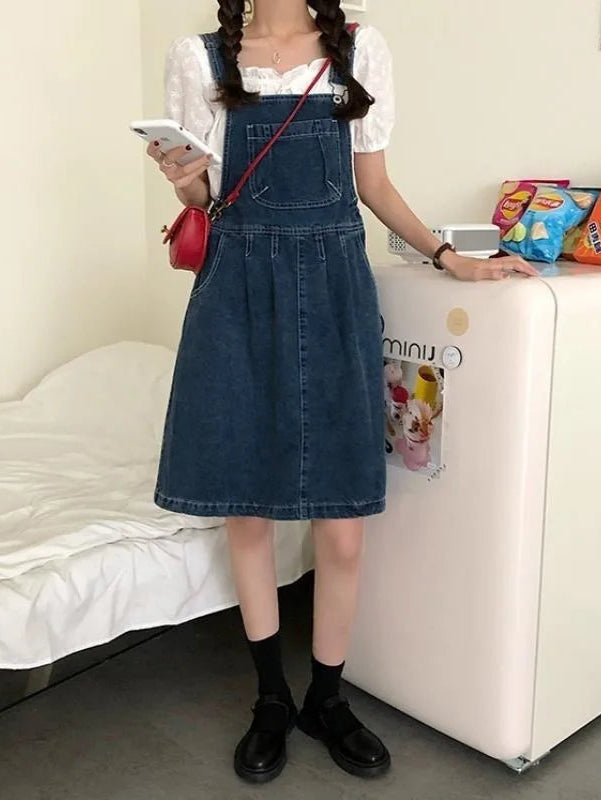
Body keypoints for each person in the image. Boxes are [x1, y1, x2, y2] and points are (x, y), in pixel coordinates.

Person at [148, 0, 536, 785]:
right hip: (236, 288)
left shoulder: (358, 48)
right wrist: (186, 183)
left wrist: (446, 257)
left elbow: (373, 183)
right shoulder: (199, 58)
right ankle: (270, 698)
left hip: (333, 285)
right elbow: (206, 199)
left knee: (344, 525)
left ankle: (325, 698)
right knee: (246, 507)